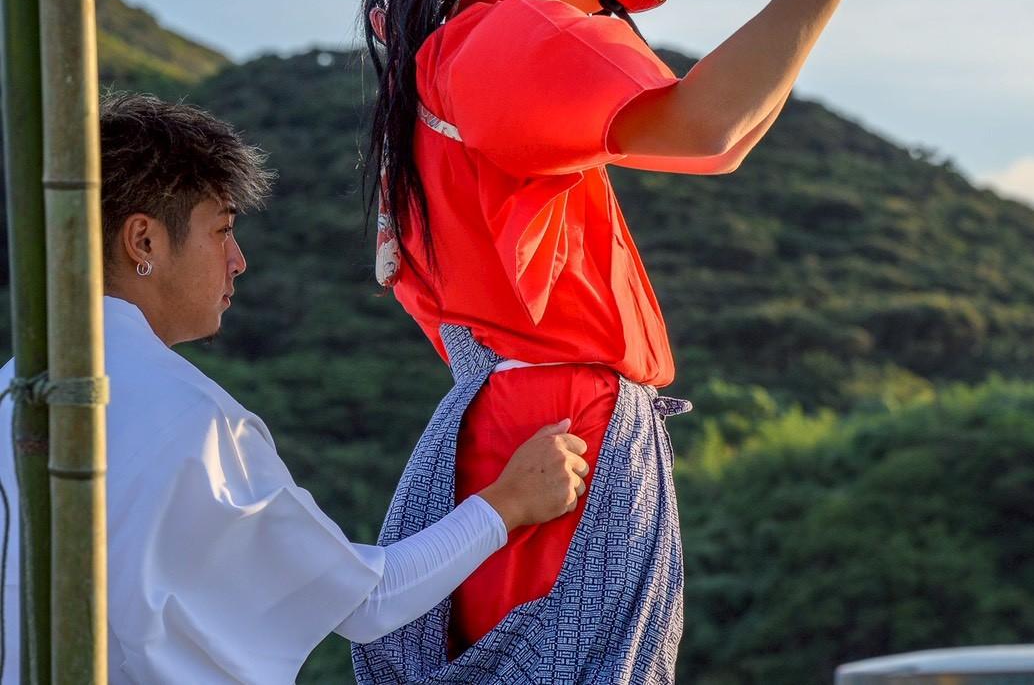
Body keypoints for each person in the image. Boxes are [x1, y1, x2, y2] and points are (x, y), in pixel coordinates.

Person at [355, 0, 895, 681]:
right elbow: (709, 125)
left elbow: (723, 133)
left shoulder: (464, 46)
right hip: (553, 421)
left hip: (543, 413)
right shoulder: (506, 32)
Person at [0, 93, 594, 684]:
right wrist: (509, 502)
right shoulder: (196, 423)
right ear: (144, 242)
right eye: (222, 230)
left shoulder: (12, 392)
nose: (238, 260)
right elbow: (367, 602)